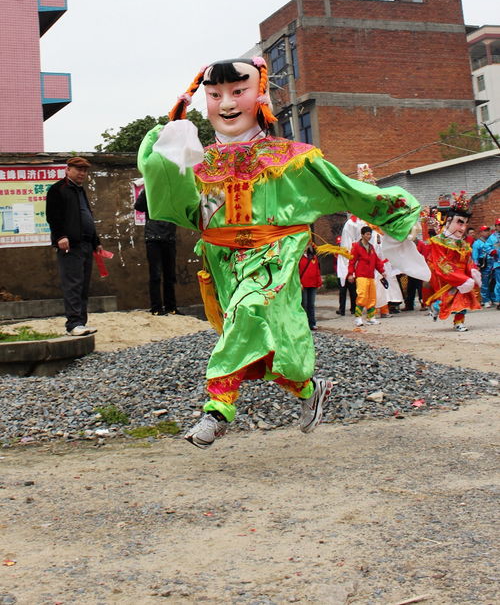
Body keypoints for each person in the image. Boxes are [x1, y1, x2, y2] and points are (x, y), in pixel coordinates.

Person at [138, 56, 421, 449]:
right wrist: (164, 154)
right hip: (223, 261)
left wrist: (396, 214)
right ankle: (309, 390)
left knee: (248, 310)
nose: (227, 103)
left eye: (238, 91)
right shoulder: (203, 162)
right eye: (216, 94)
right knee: (263, 346)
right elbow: (191, 213)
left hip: (274, 253)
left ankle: (217, 409)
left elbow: (344, 189)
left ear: (261, 95)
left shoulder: (292, 157)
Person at [45, 157, 101, 336]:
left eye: (85, 170)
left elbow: (87, 216)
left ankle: (81, 323)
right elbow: (53, 216)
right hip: (70, 245)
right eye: (78, 169)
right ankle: (73, 324)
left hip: (86, 244)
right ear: (67, 169)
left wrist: (96, 241)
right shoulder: (58, 189)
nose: (82, 173)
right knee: (73, 284)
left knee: (83, 285)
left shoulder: (80, 191)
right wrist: (60, 236)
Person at [424, 192, 481, 331]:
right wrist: (458, 277)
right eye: (460, 222)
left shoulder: (463, 244)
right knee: (448, 299)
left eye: (465, 224)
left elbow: (468, 260)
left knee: (463, 299)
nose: (463, 228)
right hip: (447, 275)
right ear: (449, 221)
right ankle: (436, 307)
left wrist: (472, 271)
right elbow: (440, 262)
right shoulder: (439, 242)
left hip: (462, 275)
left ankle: (458, 322)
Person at [134, 186, 179, 315]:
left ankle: (171, 307)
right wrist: (148, 190)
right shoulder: (150, 188)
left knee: (170, 274)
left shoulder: (172, 190)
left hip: (169, 236)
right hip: (153, 237)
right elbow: (138, 206)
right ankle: (156, 308)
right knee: (155, 275)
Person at [347, 226, 387, 326]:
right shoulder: (356, 246)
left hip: (371, 275)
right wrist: (350, 274)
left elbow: (377, 261)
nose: (369, 236)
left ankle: (371, 317)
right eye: (367, 234)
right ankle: (358, 317)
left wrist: (382, 271)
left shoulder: (371, 247)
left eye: (370, 234)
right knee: (362, 296)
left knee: (372, 297)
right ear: (362, 235)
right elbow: (352, 261)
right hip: (361, 275)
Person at [336, 215, 359, 316]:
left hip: (350, 272)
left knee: (353, 292)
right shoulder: (337, 252)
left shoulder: (351, 250)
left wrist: (351, 272)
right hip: (341, 273)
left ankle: (353, 308)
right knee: (342, 293)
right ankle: (342, 309)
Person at [299, 244, 322, 330]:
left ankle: (312, 323)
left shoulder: (313, 257)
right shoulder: (298, 257)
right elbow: (296, 272)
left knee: (311, 305)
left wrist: (319, 282)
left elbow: (317, 270)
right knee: (304, 304)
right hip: (303, 285)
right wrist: (299, 283)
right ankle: (304, 323)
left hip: (313, 284)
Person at [472, 225, 493, 308]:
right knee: (484, 282)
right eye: (485, 231)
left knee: (493, 282)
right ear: (481, 232)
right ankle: (485, 300)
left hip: (493, 263)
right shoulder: (477, 243)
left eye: (488, 230)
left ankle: (492, 298)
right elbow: (475, 255)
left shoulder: (492, 240)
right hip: (484, 264)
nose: (487, 232)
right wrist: (476, 265)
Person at [485, 218, 500, 309]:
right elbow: (486, 246)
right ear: (496, 226)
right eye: (499, 225)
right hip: (498, 263)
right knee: (499, 283)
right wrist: (491, 251)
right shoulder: (492, 237)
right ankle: (498, 301)